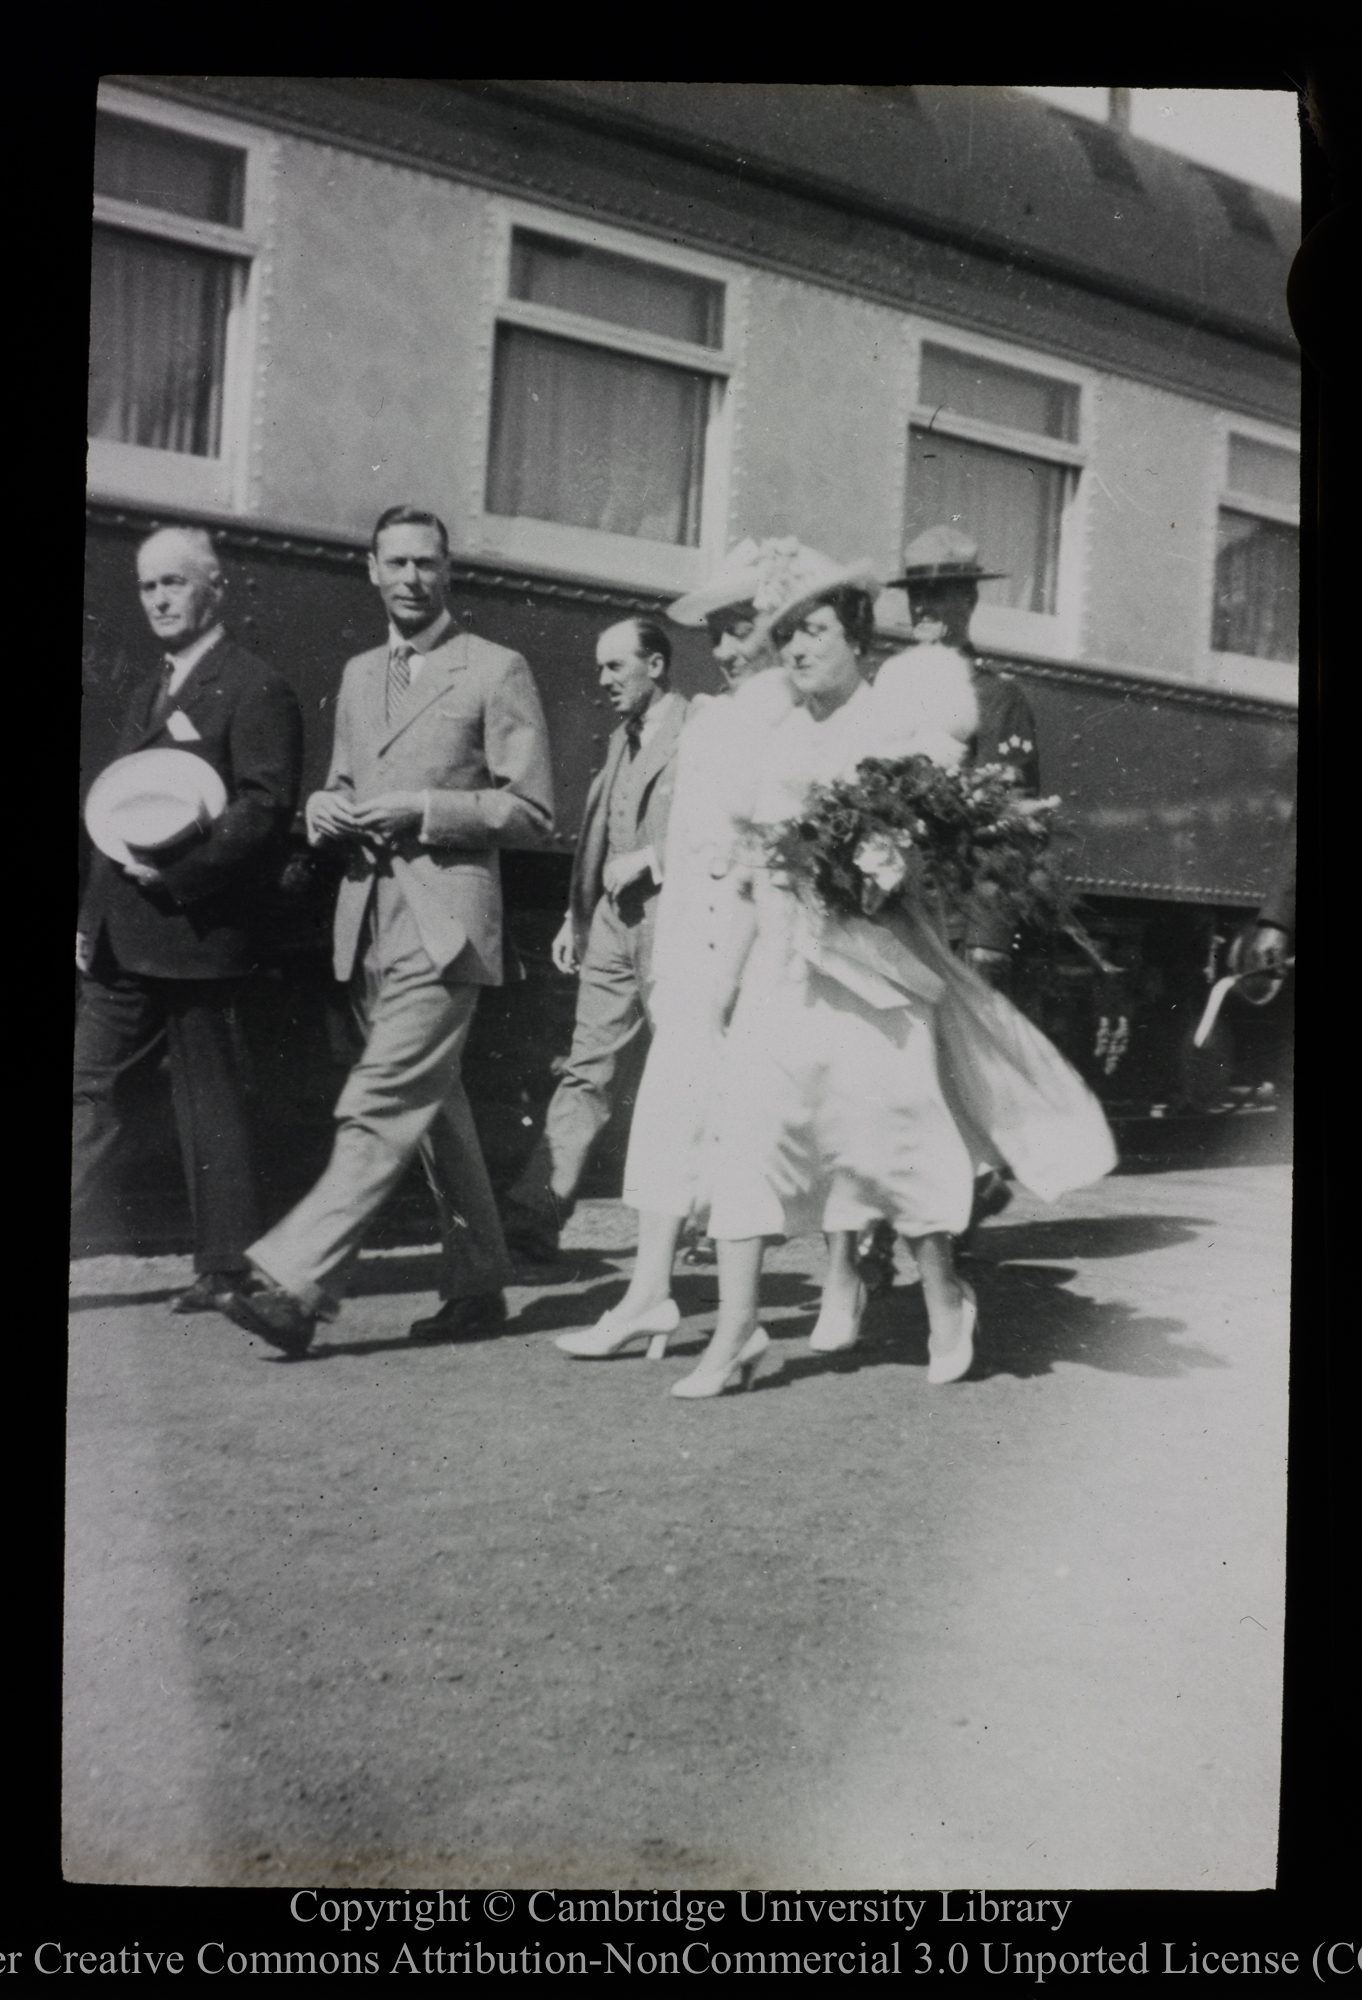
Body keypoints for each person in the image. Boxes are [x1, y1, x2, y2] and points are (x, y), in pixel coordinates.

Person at [675, 548, 1115, 1399]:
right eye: (786, 636)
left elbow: (940, 853)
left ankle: (947, 1297)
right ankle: (736, 1334)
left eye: (814, 630)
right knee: (751, 1140)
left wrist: (877, 862)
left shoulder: (902, 729)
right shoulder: (770, 736)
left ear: (854, 638)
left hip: (878, 979)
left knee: (897, 1144)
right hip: (785, 973)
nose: (797, 649)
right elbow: (747, 862)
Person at [227, 505, 554, 1356]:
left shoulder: (494, 669)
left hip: (446, 926)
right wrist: (322, 806)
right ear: (371, 571)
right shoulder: (362, 671)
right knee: (431, 1109)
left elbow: (531, 812)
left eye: (428, 564)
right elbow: (338, 784)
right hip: (367, 921)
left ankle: (297, 1284)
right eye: (397, 563)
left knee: (380, 1100)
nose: (412, 579)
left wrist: (426, 809)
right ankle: (479, 1286)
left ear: (450, 574)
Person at [551, 540, 800, 1359]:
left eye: (741, 629)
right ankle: (650, 1294)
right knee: (667, 1115)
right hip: (695, 952)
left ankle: (780, 1308)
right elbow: (690, 841)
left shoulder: (793, 718)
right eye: (720, 632)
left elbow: (781, 847)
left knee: (753, 1130)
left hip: (757, 953)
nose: (725, 649)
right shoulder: (720, 717)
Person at [73, 525, 303, 1314]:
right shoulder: (151, 685)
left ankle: (225, 1267)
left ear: (215, 589)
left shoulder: (254, 684)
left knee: (209, 1095)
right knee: (87, 1086)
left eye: (175, 583)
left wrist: (180, 877)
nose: (160, 600)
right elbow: (119, 805)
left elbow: (265, 805)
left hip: (199, 927)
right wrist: (91, 915)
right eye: (148, 586)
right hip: (124, 928)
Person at [500, 618, 689, 1267]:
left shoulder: (699, 733)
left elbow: (727, 827)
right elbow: (601, 836)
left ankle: (710, 1219)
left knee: (692, 1078)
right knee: (587, 1067)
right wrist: (571, 918)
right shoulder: (621, 739)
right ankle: (536, 1213)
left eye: (616, 667)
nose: (603, 681)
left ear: (656, 666)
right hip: (612, 925)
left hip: (680, 926)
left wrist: (654, 860)